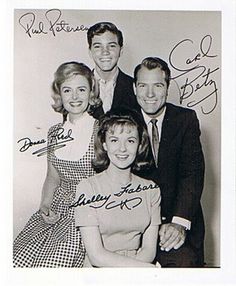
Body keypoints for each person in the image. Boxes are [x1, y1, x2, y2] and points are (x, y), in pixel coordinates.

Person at [13, 61, 101, 267]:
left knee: (51, 265)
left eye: (81, 89)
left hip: (85, 214)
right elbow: (52, 177)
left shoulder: (101, 130)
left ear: (91, 93)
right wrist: (45, 206)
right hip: (56, 209)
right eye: (67, 90)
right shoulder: (54, 132)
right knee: (17, 259)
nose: (75, 96)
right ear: (59, 95)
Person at [133, 57, 205, 267]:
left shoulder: (186, 119)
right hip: (137, 227)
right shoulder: (124, 120)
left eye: (157, 85)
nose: (150, 94)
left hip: (177, 223)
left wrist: (178, 223)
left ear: (168, 86)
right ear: (134, 88)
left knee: (183, 264)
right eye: (143, 86)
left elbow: (192, 174)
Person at [72, 109, 161, 267]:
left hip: (138, 266)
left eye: (130, 141)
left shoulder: (151, 190)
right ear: (104, 144)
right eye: (114, 140)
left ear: (140, 144)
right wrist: (145, 269)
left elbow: (149, 251)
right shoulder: (87, 188)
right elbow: (96, 256)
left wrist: (137, 271)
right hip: (100, 271)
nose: (122, 149)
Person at [87, 21, 140, 118]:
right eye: (98, 46)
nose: (105, 52)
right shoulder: (80, 87)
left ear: (121, 50)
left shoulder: (134, 87)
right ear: (90, 52)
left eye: (111, 46)